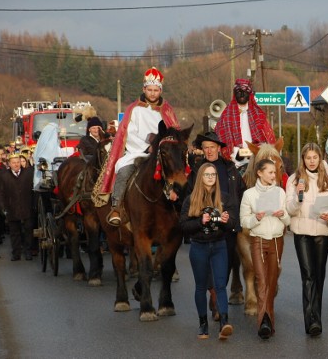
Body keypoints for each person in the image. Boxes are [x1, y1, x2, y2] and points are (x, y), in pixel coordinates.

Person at [100, 67, 179, 226]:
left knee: (177, 174)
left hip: (162, 153)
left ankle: (181, 207)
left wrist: (162, 147)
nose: (152, 93)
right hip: (137, 153)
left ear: (160, 90)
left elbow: (174, 132)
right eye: (149, 90)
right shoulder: (134, 109)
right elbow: (128, 133)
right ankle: (117, 207)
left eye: (156, 90)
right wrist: (146, 147)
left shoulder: (167, 110)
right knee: (124, 171)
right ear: (144, 89)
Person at [184, 131, 245, 317]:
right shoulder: (197, 171)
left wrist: (236, 216)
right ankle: (215, 299)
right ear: (202, 150)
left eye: (212, 147)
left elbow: (241, 192)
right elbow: (188, 197)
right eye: (205, 148)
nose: (209, 151)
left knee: (224, 268)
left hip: (226, 226)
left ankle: (216, 294)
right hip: (204, 228)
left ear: (219, 148)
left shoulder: (230, 169)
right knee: (207, 267)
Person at [285, 143, 328, 337]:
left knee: (319, 275)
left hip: (322, 231)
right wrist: (298, 198)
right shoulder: (294, 180)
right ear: (303, 159)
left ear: (320, 159)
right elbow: (290, 209)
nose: (311, 161)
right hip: (301, 232)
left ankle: (316, 315)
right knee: (308, 275)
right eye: (308, 158)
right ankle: (312, 321)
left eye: (315, 158)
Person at [180, 163, 236, 340]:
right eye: (207, 175)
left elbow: (234, 223)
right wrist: (199, 222)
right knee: (201, 287)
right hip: (199, 246)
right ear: (200, 178)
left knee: (220, 285)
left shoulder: (224, 198)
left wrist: (227, 221)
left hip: (219, 245)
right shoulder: (191, 200)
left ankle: (224, 323)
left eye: (213, 174)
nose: (211, 177)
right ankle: (203, 324)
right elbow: (182, 226)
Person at [240, 159, 290, 340]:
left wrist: (282, 214)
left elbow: (288, 221)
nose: (274, 175)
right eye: (269, 172)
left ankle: (269, 319)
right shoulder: (249, 194)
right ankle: (264, 322)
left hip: (277, 241)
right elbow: (244, 221)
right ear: (259, 173)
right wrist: (256, 218)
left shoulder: (280, 192)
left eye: (275, 171)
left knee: (271, 280)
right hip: (258, 241)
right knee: (261, 280)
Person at [215, 79, 276, 167]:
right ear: (235, 94)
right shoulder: (226, 115)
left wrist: (256, 151)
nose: (242, 94)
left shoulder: (259, 115)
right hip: (234, 162)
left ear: (250, 94)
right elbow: (221, 142)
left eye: (245, 91)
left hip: (258, 161)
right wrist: (236, 153)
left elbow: (268, 140)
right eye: (239, 92)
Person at [0, 153, 35, 261]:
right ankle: (16, 253)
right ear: (9, 164)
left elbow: (33, 190)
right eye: (14, 163)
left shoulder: (28, 173)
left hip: (27, 206)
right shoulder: (4, 176)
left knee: (28, 230)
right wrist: (2, 207)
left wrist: (34, 205)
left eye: (18, 162)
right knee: (14, 232)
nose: (16, 164)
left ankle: (28, 251)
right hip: (11, 207)